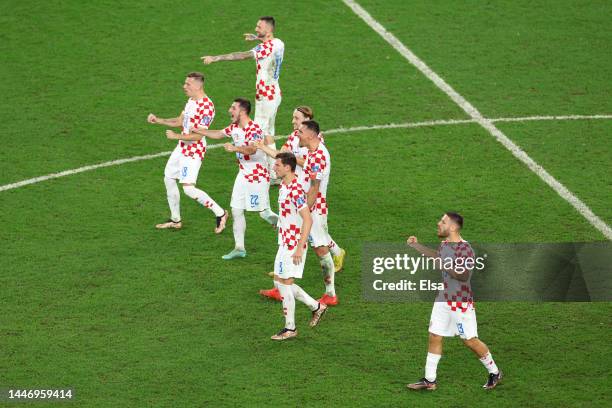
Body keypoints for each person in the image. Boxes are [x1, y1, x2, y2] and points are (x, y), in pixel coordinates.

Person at [406, 212, 503, 391]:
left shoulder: (465, 250)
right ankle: (429, 380)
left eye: (442, 222)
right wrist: (416, 246)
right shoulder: (445, 244)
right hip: (443, 298)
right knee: (434, 335)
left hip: (460, 303)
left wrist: (445, 264)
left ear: (452, 227)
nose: (438, 224)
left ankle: (494, 372)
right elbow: (438, 257)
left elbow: (464, 275)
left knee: (470, 341)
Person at [257, 108, 346, 301]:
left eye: (300, 131)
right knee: (286, 238)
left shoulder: (319, 156)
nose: (297, 133)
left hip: (314, 206)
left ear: (310, 135)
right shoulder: (310, 150)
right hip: (301, 201)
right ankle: (280, 286)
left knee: (321, 249)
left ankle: (330, 294)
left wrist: (304, 210)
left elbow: (315, 187)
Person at [201, 16, 284, 182]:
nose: (256, 29)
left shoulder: (264, 49)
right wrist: (256, 38)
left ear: (268, 29)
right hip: (275, 93)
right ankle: (276, 172)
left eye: (259, 27)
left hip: (265, 98)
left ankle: (273, 174)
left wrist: (216, 58)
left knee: (259, 137)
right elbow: (266, 42)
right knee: (269, 133)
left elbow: (241, 55)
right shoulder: (279, 43)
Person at [195, 98, 278, 260]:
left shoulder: (253, 128)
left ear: (242, 111)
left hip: (257, 176)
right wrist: (198, 130)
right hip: (243, 175)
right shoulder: (234, 127)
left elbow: (253, 149)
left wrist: (235, 148)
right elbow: (219, 133)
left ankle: (290, 228)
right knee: (236, 209)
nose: (229, 110)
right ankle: (239, 248)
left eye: (233, 108)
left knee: (264, 213)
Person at [147, 72, 228, 233]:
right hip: (182, 147)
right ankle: (175, 220)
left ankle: (221, 213)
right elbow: (179, 121)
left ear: (198, 86)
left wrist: (176, 136)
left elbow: (199, 135)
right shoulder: (191, 101)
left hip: (194, 150)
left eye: (188, 84)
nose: (184, 87)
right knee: (169, 177)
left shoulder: (206, 107)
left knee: (188, 188)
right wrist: (159, 120)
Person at [269, 152, 327, 340]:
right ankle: (316, 306)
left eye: (277, 165)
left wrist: (299, 247)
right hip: (284, 240)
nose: (274, 167)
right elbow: (290, 214)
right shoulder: (284, 186)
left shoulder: (294, 190)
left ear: (287, 167)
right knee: (278, 282)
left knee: (285, 284)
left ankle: (290, 328)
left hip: (294, 243)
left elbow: (307, 220)